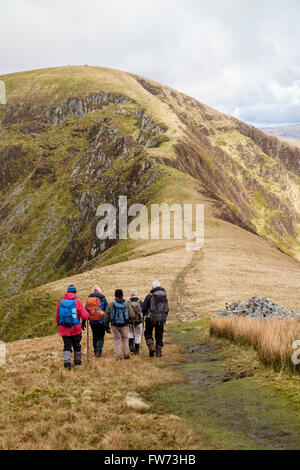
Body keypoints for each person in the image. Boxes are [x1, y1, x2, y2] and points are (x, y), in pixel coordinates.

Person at [56, 285, 89, 370]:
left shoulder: (61, 302)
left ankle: (67, 363)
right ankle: (77, 362)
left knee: (67, 346)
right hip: (76, 329)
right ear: (75, 292)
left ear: (67, 292)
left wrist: (59, 324)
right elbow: (84, 316)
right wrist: (88, 314)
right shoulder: (77, 302)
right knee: (76, 345)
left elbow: (57, 315)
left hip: (64, 330)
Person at [104, 289, 135, 361]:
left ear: (115, 295)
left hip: (114, 325)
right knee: (125, 339)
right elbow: (132, 315)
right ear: (122, 295)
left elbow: (106, 315)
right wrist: (129, 320)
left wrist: (106, 325)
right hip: (124, 325)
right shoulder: (127, 304)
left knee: (117, 340)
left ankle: (117, 356)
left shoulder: (111, 304)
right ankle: (126, 354)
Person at [143, 281, 169, 358]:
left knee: (148, 333)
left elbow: (144, 308)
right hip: (161, 319)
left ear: (152, 287)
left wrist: (145, 315)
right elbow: (167, 309)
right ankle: (159, 353)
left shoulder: (149, 296)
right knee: (159, 335)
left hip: (150, 318)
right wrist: (164, 317)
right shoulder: (164, 297)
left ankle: (151, 348)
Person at [83, 285, 108, 358]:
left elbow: (86, 311)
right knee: (100, 336)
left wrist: (84, 322)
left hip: (92, 321)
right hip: (101, 321)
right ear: (99, 290)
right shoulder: (103, 298)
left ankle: (95, 350)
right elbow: (107, 310)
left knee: (95, 336)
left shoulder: (89, 298)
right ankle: (98, 351)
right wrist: (107, 322)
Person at [128, 289, 144, 355]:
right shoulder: (140, 302)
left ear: (131, 295)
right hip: (139, 322)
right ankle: (136, 351)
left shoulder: (128, 303)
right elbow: (144, 311)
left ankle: (131, 347)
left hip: (130, 322)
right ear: (137, 295)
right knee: (138, 335)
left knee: (130, 333)